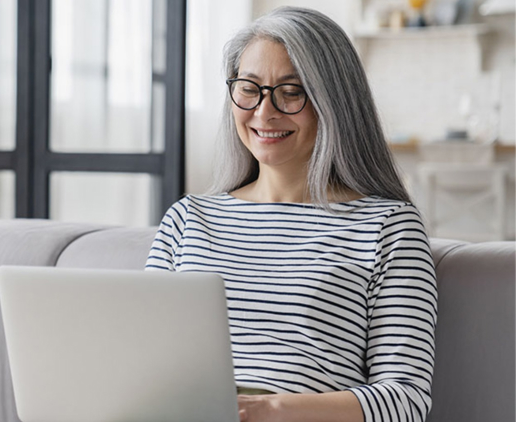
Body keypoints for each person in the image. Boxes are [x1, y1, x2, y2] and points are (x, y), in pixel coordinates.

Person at [146, 6, 437, 422]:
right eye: (250, 88)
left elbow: (404, 400)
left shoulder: (387, 228)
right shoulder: (188, 218)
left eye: (292, 90)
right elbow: (142, 364)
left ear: (333, 101)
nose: (265, 112)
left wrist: (263, 411)